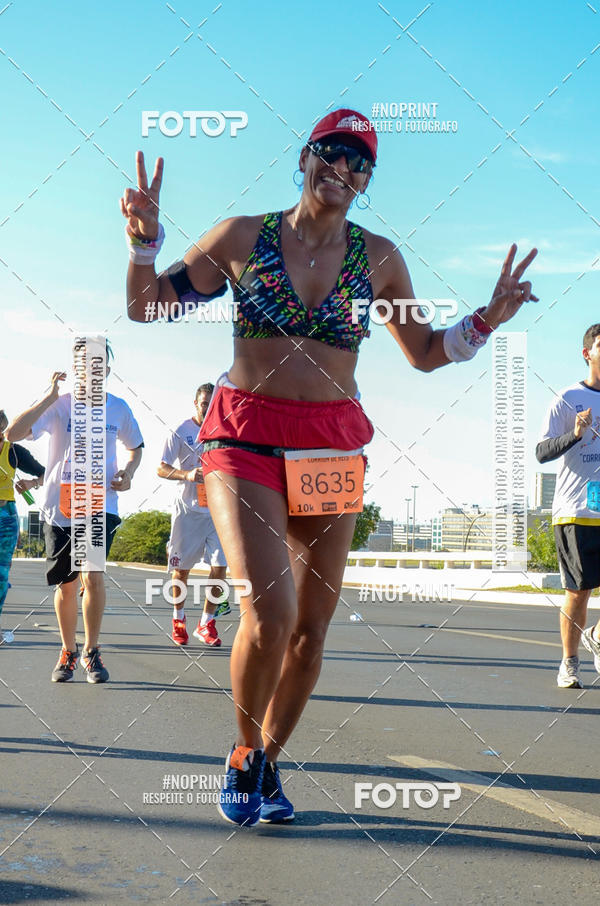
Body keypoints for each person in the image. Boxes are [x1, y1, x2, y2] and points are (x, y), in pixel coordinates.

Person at [122, 107, 538, 826]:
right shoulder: (243, 237)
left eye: (360, 163)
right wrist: (143, 241)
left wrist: (486, 321)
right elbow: (146, 307)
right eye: (333, 154)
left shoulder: (377, 256)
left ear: (368, 180)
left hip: (332, 447)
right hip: (244, 437)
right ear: (306, 157)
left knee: (313, 633)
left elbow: (426, 352)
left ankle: (271, 763)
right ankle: (244, 751)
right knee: (270, 613)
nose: (344, 170)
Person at [6, 338, 144, 683]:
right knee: (66, 586)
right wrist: (48, 397)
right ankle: (68, 650)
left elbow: (136, 448)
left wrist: (128, 473)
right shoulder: (60, 406)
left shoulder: (119, 409)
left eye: (98, 364)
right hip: (60, 506)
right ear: (76, 368)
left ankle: (91, 651)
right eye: (84, 363)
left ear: (107, 370)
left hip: (100, 505)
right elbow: (12, 433)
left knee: (92, 575)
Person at [536, 323, 600, 689]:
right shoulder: (567, 398)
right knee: (579, 592)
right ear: (587, 353)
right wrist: (575, 435)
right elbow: (542, 452)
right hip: (577, 509)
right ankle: (569, 662)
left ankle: (597, 638)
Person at [157, 383, 230, 648]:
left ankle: (206, 622)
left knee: (220, 566)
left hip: (217, 510)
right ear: (195, 404)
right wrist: (186, 474)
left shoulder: (225, 432)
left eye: (213, 404)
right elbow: (161, 468)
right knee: (181, 571)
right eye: (203, 403)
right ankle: (179, 620)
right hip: (187, 510)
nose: (208, 408)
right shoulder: (181, 431)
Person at [0, 408, 45, 644]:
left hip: (5, 515)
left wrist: (32, 483)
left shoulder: (14, 452)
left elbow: (47, 473)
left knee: (0, 576)